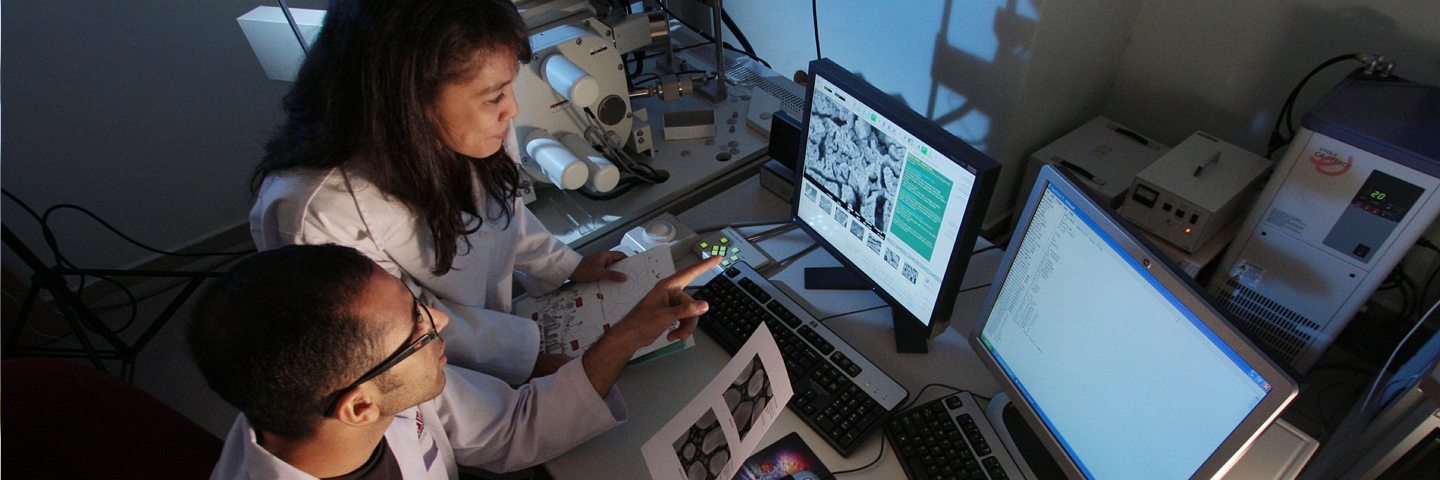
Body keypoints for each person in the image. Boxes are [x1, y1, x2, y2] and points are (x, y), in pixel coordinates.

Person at [249, 0, 621, 385]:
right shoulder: (317, 212)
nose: (512, 108)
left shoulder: (473, 130)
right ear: (408, 100)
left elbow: (504, 215)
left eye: (510, 86)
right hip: (429, 379)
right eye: (494, 96)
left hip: (498, 338)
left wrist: (565, 266)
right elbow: (402, 326)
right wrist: (521, 359)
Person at [192, 244, 721, 479]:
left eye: (417, 304)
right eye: (416, 328)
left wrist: (629, 332)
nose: (439, 323)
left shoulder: (357, 394)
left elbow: (514, 428)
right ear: (358, 407)